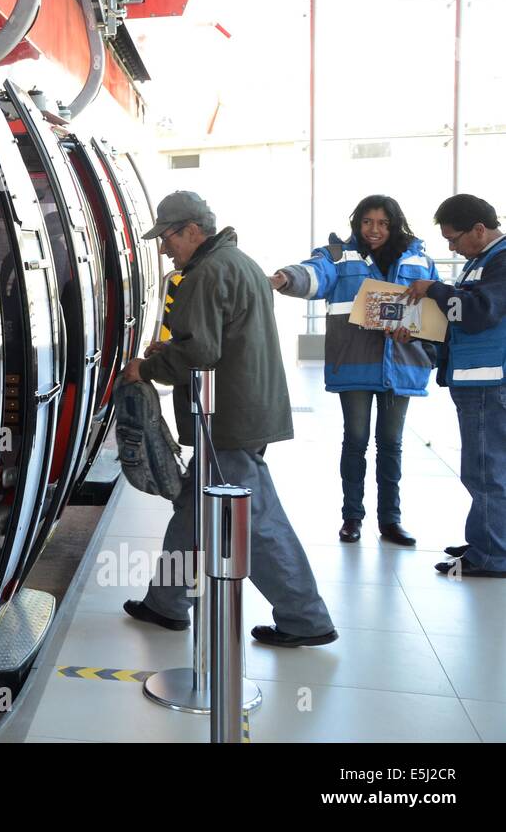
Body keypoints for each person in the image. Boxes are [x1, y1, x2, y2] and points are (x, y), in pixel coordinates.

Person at [120, 191, 337, 647]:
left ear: (193, 231)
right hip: (243, 407)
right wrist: (174, 351)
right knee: (194, 510)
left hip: (228, 419)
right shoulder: (240, 263)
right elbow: (222, 340)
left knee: (253, 519)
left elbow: (201, 352)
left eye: (168, 237)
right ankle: (167, 602)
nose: (164, 248)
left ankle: (305, 618)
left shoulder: (205, 274)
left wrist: (150, 367)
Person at [269, 196, 440, 546]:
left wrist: (421, 339)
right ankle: (352, 517)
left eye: (382, 223)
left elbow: (435, 311)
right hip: (355, 364)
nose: (374, 230)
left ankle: (391, 520)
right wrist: (286, 278)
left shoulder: (420, 259)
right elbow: (314, 274)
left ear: (395, 224)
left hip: (403, 367)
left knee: (391, 445)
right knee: (356, 441)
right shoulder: (339, 256)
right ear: (356, 223)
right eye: (366, 222)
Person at [401, 194, 506, 578]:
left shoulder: (501, 261)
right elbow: (460, 318)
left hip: (488, 381)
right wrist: (417, 331)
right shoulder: (482, 261)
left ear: (479, 229)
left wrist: (434, 290)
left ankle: (493, 554)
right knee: (486, 467)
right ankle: (488, 538)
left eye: (454, 238)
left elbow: (476, 313)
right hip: (477, 378)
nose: (451, 247)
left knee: (485, 469)